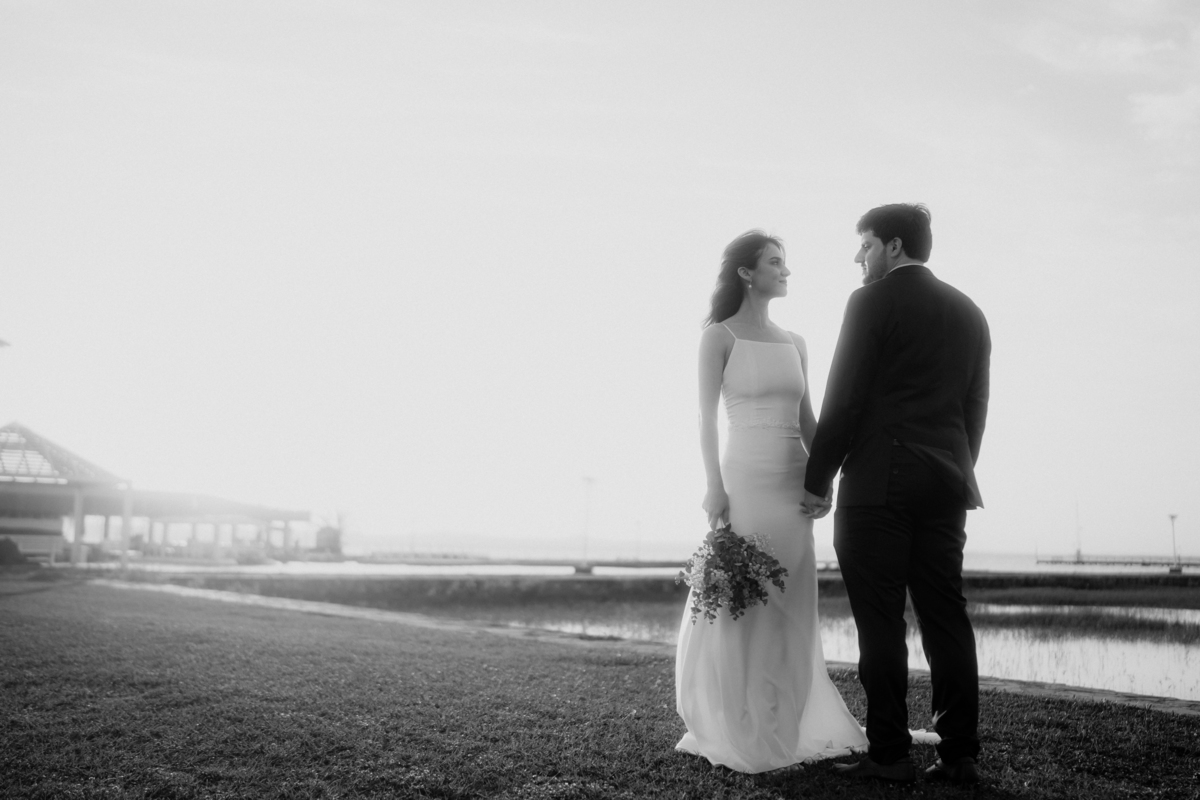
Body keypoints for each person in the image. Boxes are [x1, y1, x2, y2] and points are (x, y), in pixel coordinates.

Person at [802, 204, 990, 785]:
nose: (858, 257)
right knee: (946, 617)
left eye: (864, 245)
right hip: (947, 482)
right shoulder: (970, 312)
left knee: (880, 623)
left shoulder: (871, 300)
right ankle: (958, 753)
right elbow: (974, 408)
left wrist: (818, 477)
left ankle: (889, 754)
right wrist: (955, 467)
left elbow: (845, 395)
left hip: (879, 482)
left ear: (893, 245)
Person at [675, 230, 868, 773]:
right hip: (744, 480)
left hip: (791, 485)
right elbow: (704, 419)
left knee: (789, 601)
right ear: (746, 272)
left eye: (785, 263)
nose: (786, 271)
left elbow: (810, 425)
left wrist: (821, 481)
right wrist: (714, 485)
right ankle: (735, 721)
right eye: (775, 262)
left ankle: (784, 720)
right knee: (746, 597)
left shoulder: (796, 342)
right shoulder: (718, 337)